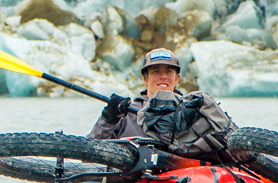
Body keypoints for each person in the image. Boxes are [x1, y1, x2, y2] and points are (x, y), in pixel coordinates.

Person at [89, 47, 235, 158]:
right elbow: (91, 152)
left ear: (177, 78)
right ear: (144, 79)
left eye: (169, 71)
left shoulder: (194, 112)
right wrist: (108, 118)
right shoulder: (125, 114)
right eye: (156, 71)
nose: (163, 76)